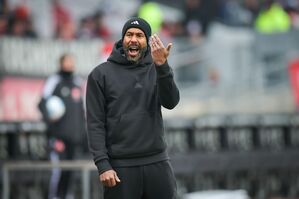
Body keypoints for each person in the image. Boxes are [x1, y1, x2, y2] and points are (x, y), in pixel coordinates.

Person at [86, 17, 180, 199]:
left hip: (157, 163)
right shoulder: (100, 75)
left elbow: (171, 102)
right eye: (129, 35)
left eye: (139, 35)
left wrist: (162, 67)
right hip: (121, 167)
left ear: (147, 41)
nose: (133, 39)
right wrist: (103, 165)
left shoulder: (157, 68)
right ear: (123, 40)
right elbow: (95, 124)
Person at [38, 53, 86, 199]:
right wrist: (53, 135)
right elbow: (42, 105)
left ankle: (67, 196)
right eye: (67, 61)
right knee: (57, 172)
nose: (70, 64)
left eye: (72, 61)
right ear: (61, 63)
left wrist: (82, 136)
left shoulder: (77, 82)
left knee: (71, 173)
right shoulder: (54, 81)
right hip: (58, 140)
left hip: (74, 139)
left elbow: (81, 112)